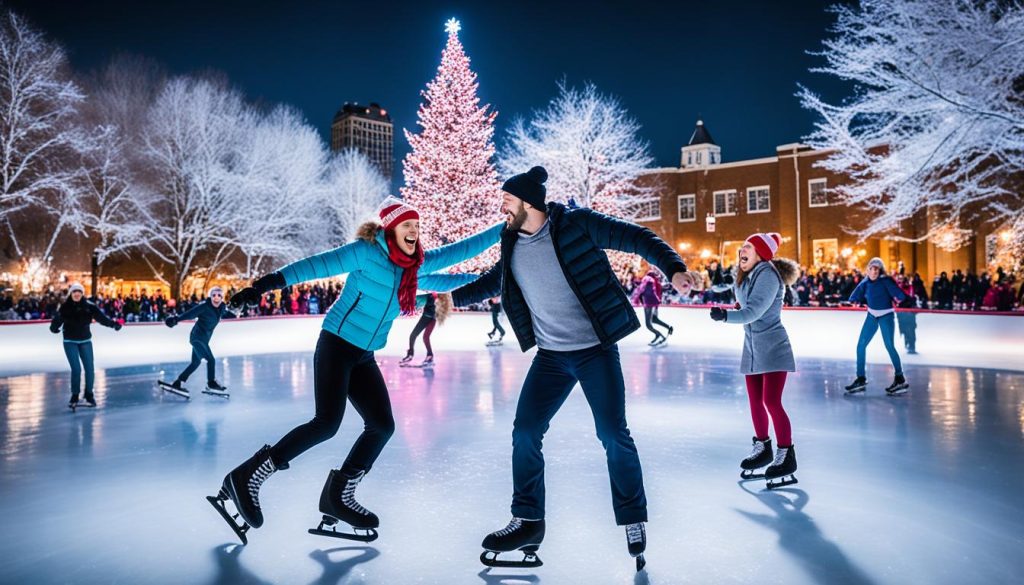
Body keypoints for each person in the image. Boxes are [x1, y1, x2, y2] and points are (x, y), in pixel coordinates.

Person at [206, 202, 500, 545]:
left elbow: (460, 257)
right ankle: (247, 477)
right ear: (390, 229)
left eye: (417, 228)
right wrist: (261, 287)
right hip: (337, 345)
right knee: (326, 423)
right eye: (407, 226)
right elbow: (314, 267)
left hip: (363, 355)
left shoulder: (413, 269)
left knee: (382, 426)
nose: (414, 233)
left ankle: (338, 495)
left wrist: (501, 265)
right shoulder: (365, 252)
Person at [449, 166, 698, 571]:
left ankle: (633, 516)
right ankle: (528, 519)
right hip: (550, 357)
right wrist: (446, 300)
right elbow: (495, 281)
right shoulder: (510, 240)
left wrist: (673, 267)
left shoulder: (576, 224)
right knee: (526, 431)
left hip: (593, 351)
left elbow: (636, 237)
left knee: (613, 433)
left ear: (528, 202)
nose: (502, 209)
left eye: (507, 202)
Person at [709, 233, 799, 489]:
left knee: (771, 401)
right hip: (752, 349)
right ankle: (763, 447)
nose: (742, 251)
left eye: (748, 246)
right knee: (755, 401)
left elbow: (754, 312)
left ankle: (786, 453)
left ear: (761, 252)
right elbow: (743, 304)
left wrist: (727, 316)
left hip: (773, 347)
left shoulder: (768, 276)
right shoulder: (747, 276)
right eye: (742, 248)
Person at [49, 282, 122, 408]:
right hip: (70, 341)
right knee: (76, 369)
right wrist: (54, 327)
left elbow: (101, 318)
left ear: (82, 294)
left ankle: (89, 394)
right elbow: (57, 320)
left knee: (89, 369)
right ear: (71, 294)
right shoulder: (65, 307)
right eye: (74, 292)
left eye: (79, 292)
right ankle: (75, 395)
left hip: (85, 341)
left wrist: (113, 324)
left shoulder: (89, 306)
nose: (77, 294)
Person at [844, 258, 909, 396]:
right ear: (867, 270)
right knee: (860, 345)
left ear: (880, 271)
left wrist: (903, 299)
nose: (874, 272)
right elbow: (855, 294)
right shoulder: (865, 282)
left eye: (876, 269)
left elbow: (899, 294)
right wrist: (854, 300)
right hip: (872, 316)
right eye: (871, 269)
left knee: (889, 346)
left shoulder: (885, 281)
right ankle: (861, 378)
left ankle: (900, 378)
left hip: (886, 316)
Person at [159, 287, 232, 398]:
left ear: (222, 297)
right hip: (197, 338)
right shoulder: (204, 307)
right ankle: (211, 383)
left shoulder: (221, 309)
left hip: (204, 339)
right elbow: (190, 314)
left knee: (195, 363)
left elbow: (232, 312)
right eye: (213, 295)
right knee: (211, 360)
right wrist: (176, 319)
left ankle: (178, 383)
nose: (216, 297)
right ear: (210, 297)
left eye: (219, 295)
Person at [400, 292, 443, 368]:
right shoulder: (432, 293)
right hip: (431, 317)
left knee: (418, 336)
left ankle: (415, 355)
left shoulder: (435, 294)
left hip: (429, 317)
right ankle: (425, 355)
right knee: (420, 336)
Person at [636, 269, 673, 345]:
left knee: (648, 324)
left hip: (649, 304)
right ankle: (668, 327)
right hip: (654, 304)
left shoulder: (648, 281)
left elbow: (642, 291)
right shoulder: (657, 282)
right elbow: (663, 289)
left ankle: (660, 336)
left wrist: (640, 301)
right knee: (654, 320)